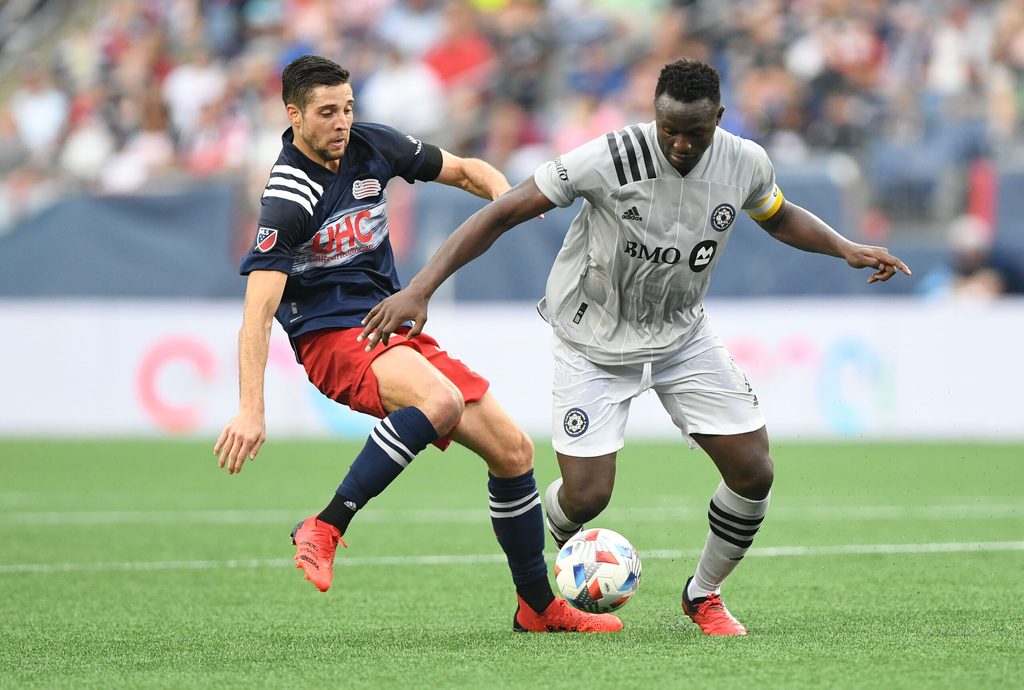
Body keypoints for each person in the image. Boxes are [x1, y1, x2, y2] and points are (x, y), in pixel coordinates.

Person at [359, 58, 912, 636]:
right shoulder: (608, 157)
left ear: (718, 120)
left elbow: (777, 216)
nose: (678, 143)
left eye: (694, 134)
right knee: (587, 496)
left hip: (682, 334)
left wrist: (844, 246)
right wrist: (420, 290)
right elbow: (503, 212)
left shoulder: (745, 162)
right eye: (667, 128)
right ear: (654, 113)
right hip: (592, 338)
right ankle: (542, 535)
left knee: (754, 471)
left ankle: (704, 595)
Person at [212, 55, 622, 634]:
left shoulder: (373, 146)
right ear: (294, 115)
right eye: (327, 113)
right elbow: (257, 315)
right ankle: (326, 525)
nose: (341, 122)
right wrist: (251, 409)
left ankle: (537, 607)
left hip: (390, 326)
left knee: (513, 451)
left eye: (348, 108)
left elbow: (465, 169)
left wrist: (512, 208)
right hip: (331, 339)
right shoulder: (287, 196)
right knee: (442, 402)